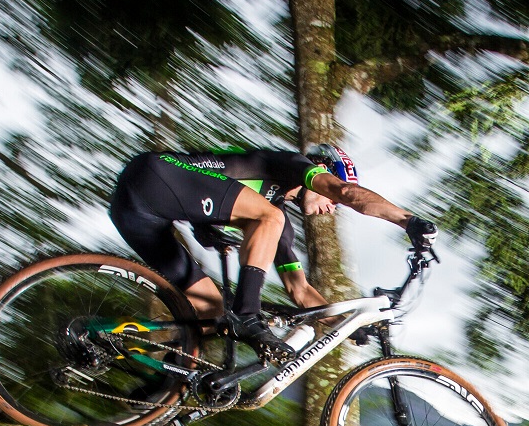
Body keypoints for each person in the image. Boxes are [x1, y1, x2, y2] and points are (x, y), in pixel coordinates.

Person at [107, 144, 437, 359]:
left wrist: (350, 324)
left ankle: (153, 391)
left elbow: (301, 290)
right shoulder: (289, 165)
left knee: (210, 312)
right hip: (154, 176)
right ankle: (248, 315)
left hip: (137, 213)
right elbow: (348, 191)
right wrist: (408, 221)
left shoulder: (274, 223)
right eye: (331, 199)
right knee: (270, 215)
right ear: (321, 168)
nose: (332, 207)